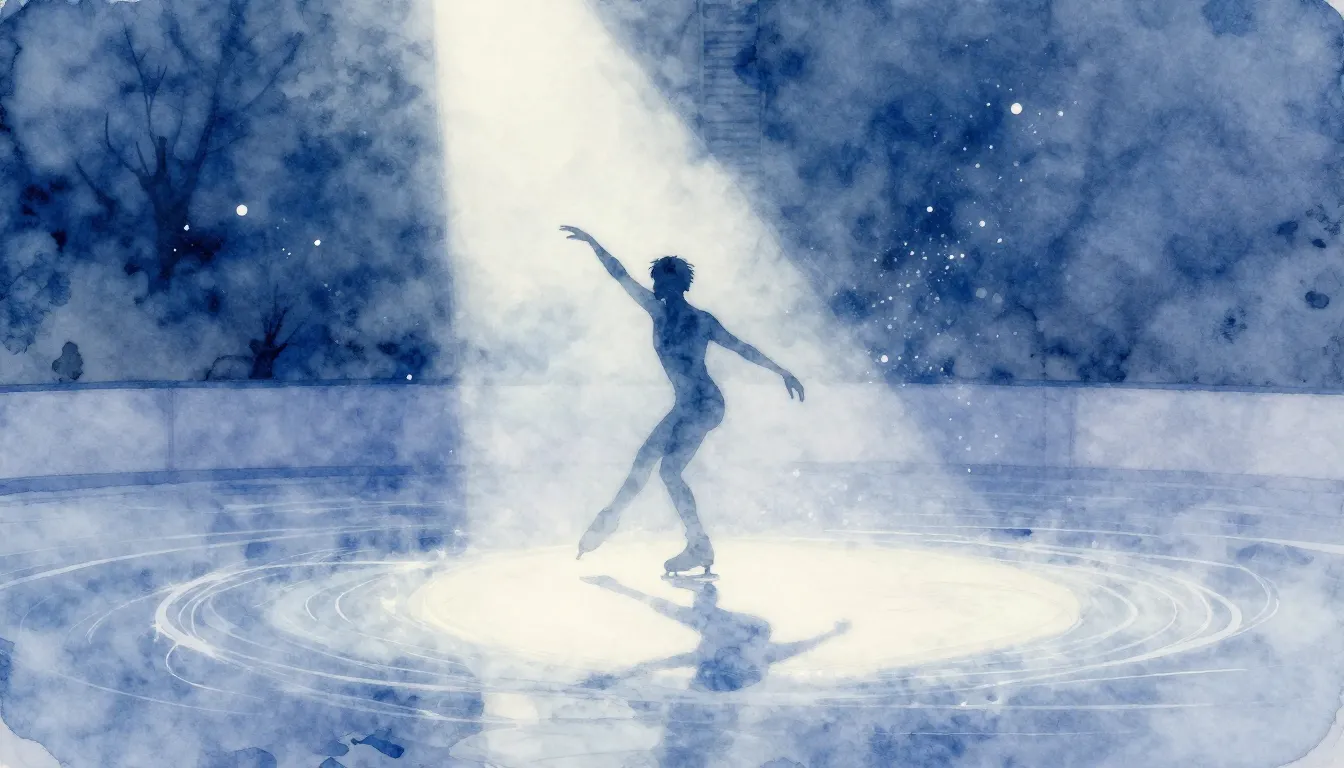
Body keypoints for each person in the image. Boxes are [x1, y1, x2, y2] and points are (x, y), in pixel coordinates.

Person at [561, 225, 804, 576]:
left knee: (668, 470)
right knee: (645, 462)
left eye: (661, 281)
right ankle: (609, 525)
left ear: (676, 284)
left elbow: (742, 348)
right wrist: (592, 243)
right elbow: (620, 275)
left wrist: (782, 371)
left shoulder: (699, 320)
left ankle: (695, 543)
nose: (656, 288)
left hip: (704, 404)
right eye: (656, 282)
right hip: (688, 405)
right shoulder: (658, 312)